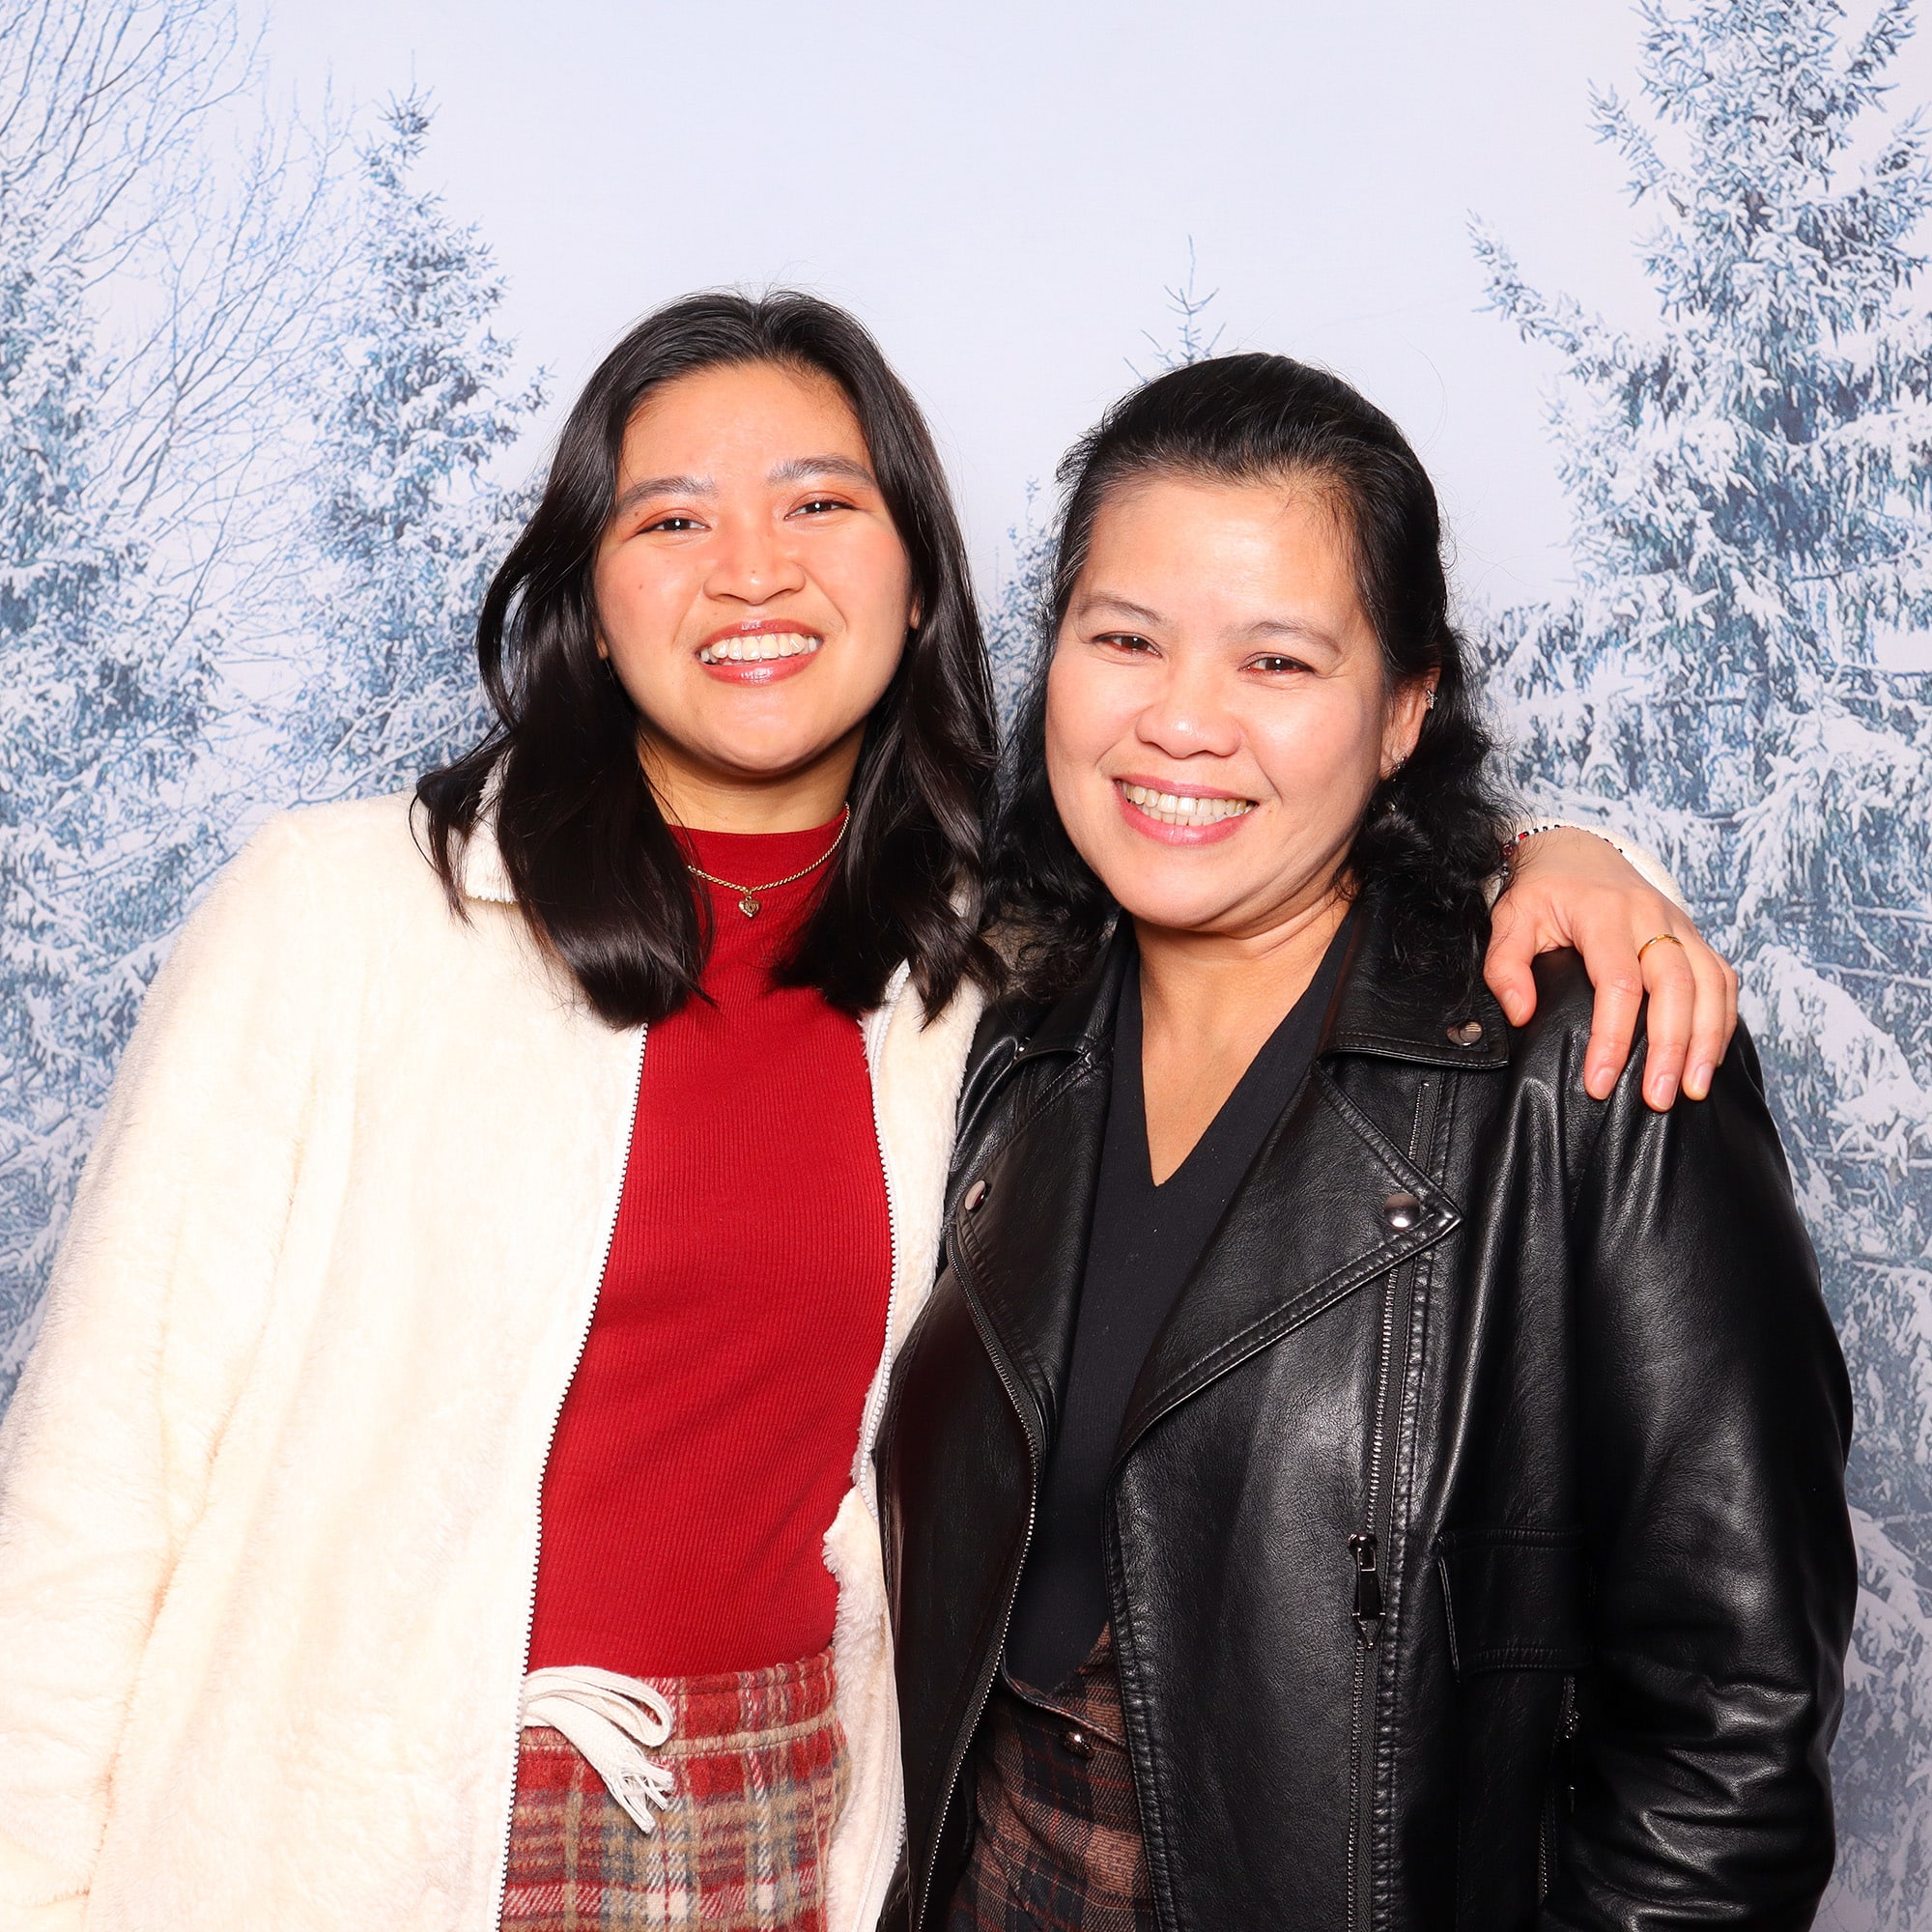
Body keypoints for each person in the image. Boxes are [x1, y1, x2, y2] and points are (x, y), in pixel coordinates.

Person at [0, 295, 1731, 1932]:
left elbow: (1292, 862)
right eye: (671, 518)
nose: (752, 567)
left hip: (798, 1837)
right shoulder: (341, 917)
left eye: (820, 503)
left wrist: (1565, 858)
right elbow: (85, 1508)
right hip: (354, 1835)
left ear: (919, 584)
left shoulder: (984, 980)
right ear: (587, 595)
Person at [876, 355, 1856, 1930]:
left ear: (1403, 711)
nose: (1180, 721)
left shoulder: (1585, 1062)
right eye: (1124, 639)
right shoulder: (1010, 1037)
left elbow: (1729, 1737)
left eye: (1276, 661)